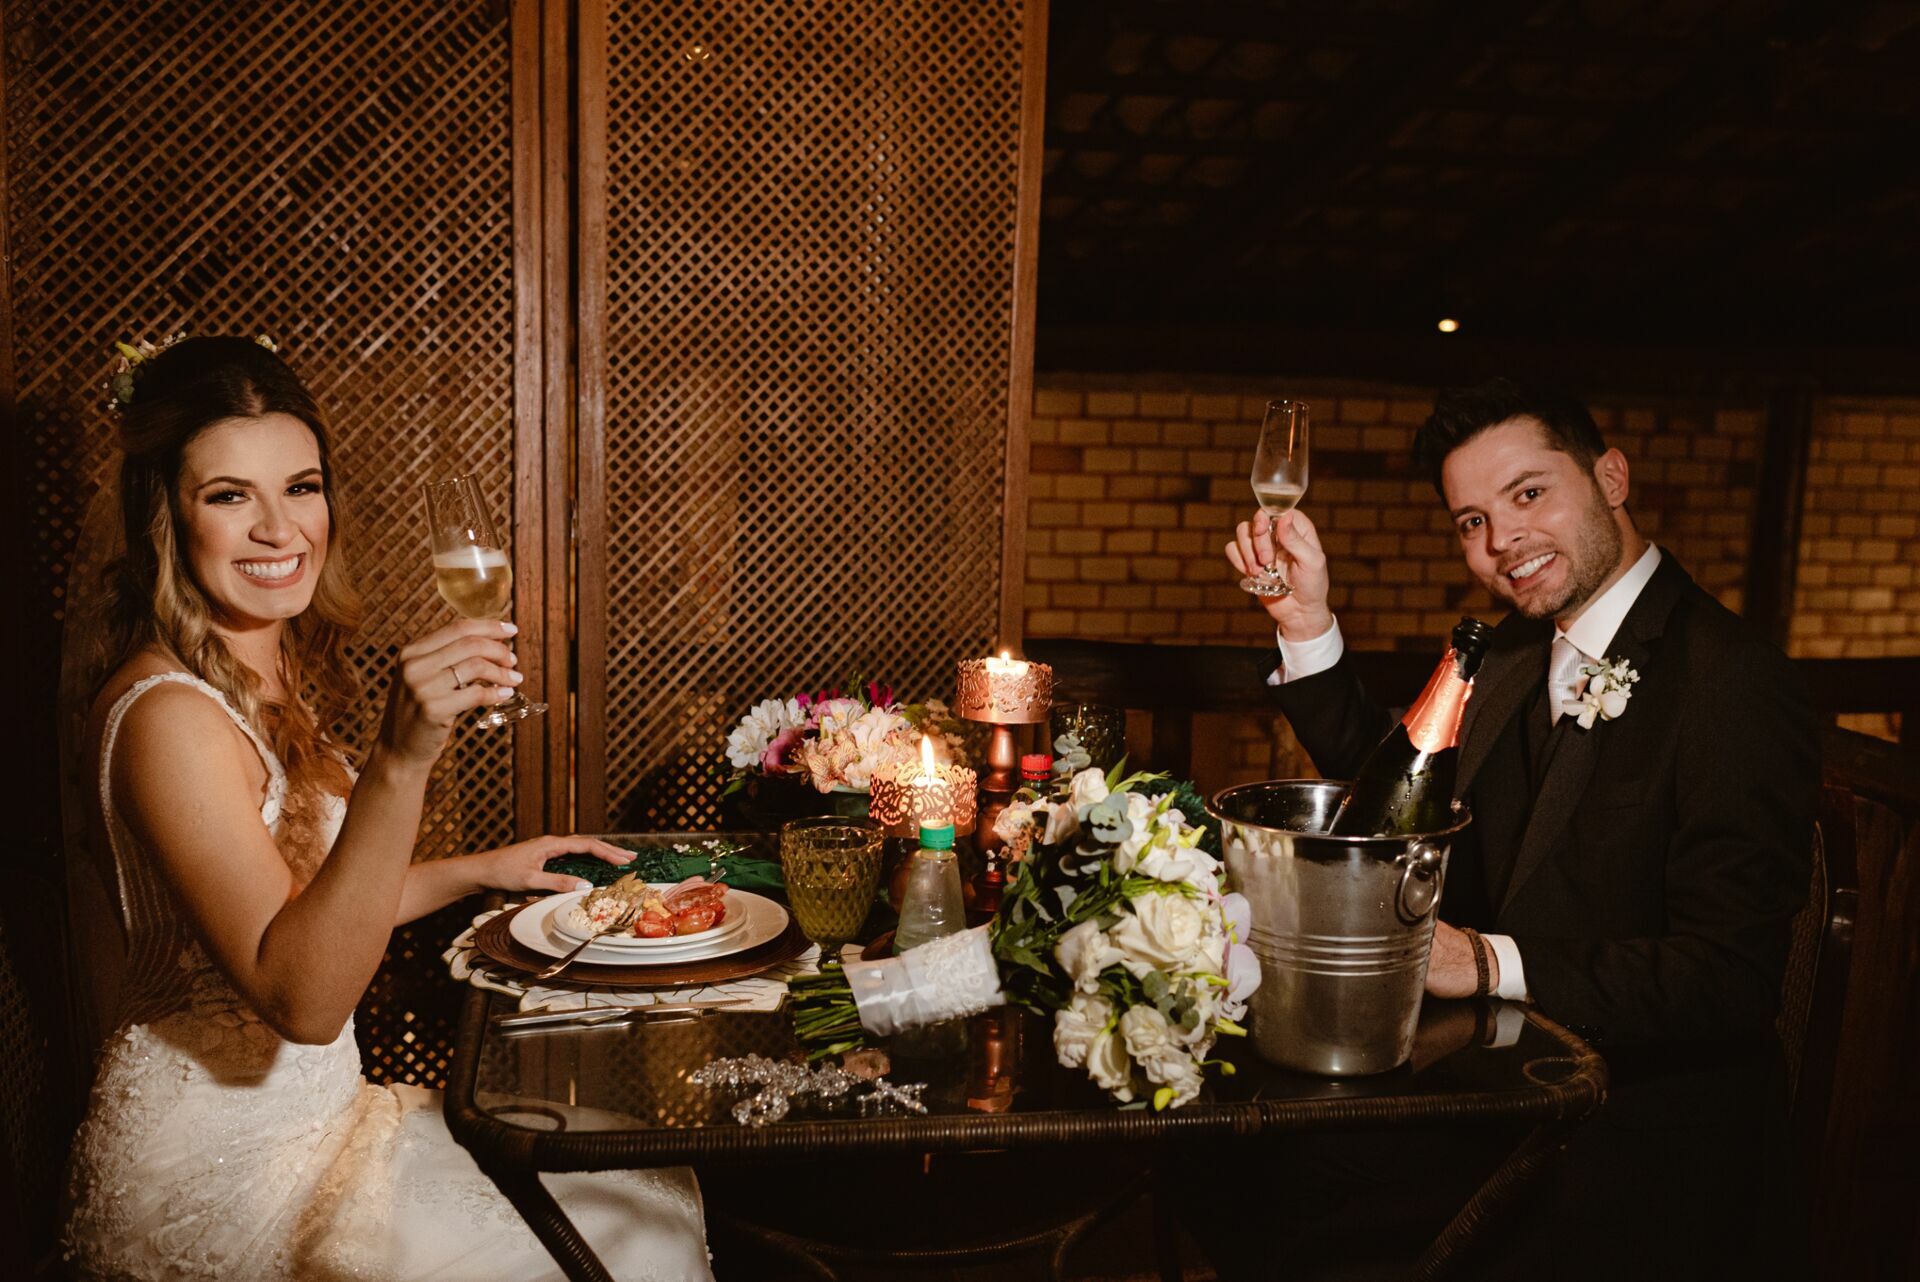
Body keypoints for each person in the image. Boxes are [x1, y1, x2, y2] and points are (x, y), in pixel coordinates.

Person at [62, 336, 713, 1281]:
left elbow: (298, 904)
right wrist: (399, 763)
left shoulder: (266, 666)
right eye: (229, 495)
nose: (281, 531)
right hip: (223, 1179)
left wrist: (481, 870)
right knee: (628, 1239)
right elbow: (305, 996)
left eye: (302, 486)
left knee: (640, 1185)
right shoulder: (169, 719)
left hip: (326, 1125)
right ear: (165, 515)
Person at [1218, 378, 1815, 1279]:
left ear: (1611, 478)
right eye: (1471, 521)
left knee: (1299, 1201)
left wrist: (1485, 961)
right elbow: (1403, 786)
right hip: (1499, 1090)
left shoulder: (1731, 680)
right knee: (1229, 1151)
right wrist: (1305, 625)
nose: (1502, 542)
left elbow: (1730, 979)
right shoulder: (1513, 651)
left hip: (1633, 1135)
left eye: (1529, 494)